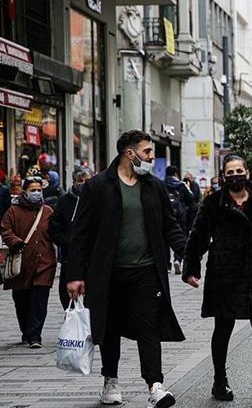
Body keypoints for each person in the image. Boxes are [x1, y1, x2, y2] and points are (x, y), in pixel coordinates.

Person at [66, 130, 187, 408]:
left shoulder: (154, 186)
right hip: (108, 273)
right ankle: (110, 381)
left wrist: (187, 255)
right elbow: (80, 233)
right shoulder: (97, 186)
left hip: (146, 272)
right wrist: (74, 275)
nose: (151, 157)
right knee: (109, 329)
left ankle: (155, 385)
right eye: (147, 152)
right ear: (129, 153)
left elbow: (171, 226)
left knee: (149, 329)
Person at [183, 154, 252, 404]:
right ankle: (219, 381)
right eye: (230, 172)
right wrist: (191, 269)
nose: (235, 176)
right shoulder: (213, 203)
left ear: (247, 173)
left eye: (239, 171)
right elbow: (198, 236)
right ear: (223, 176)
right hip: (225, 274)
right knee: (223, 327)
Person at [0, 174, 56, 348]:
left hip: (44, 263)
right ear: (24, 192)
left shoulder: (47, 211)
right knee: (22, 301)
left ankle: (35, 335)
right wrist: (14, 241)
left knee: (40, 300)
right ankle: (26, 331)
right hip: (21, 264)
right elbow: (5, 230)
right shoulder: (13, 212)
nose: (37, 193)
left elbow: (56, 231)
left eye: (39, 190)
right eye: (33, 190)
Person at [50, 165, 94, 309]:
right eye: (80, 181)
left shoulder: (100, 200)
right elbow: (54, 229)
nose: (84, 184)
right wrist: (69, 242)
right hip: (70, 258)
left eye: (87, 180)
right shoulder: (64, 201)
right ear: (74, 181)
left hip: (94, 259)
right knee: (69, 299)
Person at [164, 165, 196, 275]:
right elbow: (191, 198)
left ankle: (167, 265)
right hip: (181, 215)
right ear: (176, 174)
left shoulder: (161, 184)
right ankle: (177, 259)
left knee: (165, 239)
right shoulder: (182, 185)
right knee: (180, 236)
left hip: (167, 215)